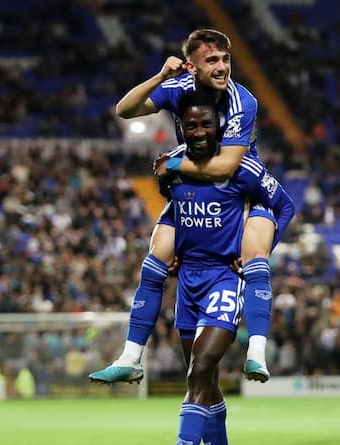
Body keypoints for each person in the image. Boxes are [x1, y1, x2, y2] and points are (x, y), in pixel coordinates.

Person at [90, 29, 281, 384]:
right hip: (195, 192)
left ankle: (257, 351)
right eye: (212, 60)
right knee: (156, 257)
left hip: (239, 191)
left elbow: (226, 166)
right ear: (192, 67)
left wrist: (174, 163)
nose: (222, 67)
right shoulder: (179, 88)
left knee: (254, 257)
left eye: (226, 59)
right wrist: (161, 76)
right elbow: (124, 109)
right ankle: (131, 356)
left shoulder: (243, 102)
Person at [147, 90, 294, 445]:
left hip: (225, 283)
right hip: (189, 284)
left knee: (202, 367)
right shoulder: (173, 166)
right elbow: (178, 210)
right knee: (206, 385)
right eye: (190, 125)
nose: (198, 132)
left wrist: (257, 250)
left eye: (206, 124)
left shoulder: (243, 166)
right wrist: (178, 246)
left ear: (221, 128)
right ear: (181, 127)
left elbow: (284, 206)